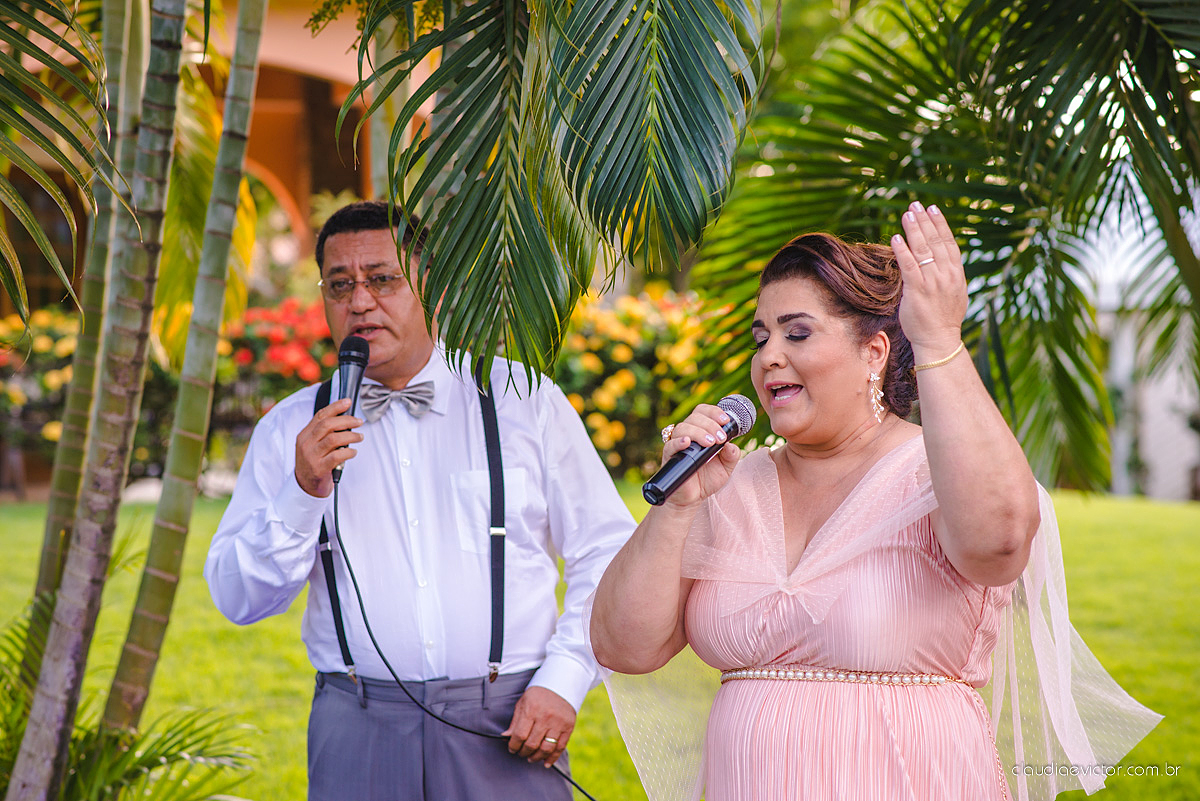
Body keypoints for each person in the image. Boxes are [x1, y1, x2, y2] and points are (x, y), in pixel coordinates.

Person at [589, 203, 1161, 800]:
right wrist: (675, 509)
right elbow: (623, 646)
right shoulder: (728, 484)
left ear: (875, 353)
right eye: (762, 338)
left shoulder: (936, 474)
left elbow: (1000, 544)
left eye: (797, 332)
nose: (768, 357)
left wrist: (938, 336)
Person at [205, 200, 635, 801]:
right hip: (357, 725)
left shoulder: (522, 400)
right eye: (340, 285)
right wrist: (300, 493)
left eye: (383, 279)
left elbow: (606, 552)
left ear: (433, 288)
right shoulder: (288, 430)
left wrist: (565, 678)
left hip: (509, 721)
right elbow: (238, 597)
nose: (359, 302)